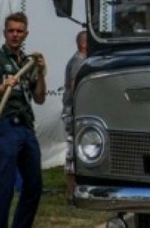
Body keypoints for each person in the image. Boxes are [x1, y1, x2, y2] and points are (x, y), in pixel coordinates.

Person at [0, 12, 47, 228]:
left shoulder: (28, 62)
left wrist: (41, 73)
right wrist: (4, 86)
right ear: (5, 33)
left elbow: (39, 98)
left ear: (26, 34)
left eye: (19, 31)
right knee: (6, 184)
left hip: (26, 125)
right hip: (6, 123)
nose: (15, 35)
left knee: (34, 185)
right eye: (11, 31)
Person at [62, 30, 87, 200]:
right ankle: (71, 195)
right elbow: (75, 86)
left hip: (78, 111)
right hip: (74, 112)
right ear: (83, 44)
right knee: (72, 153)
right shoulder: (79, 61)